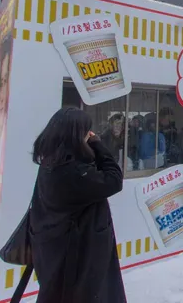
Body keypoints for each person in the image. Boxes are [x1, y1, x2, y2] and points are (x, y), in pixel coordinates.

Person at [30, 107, 125, 303]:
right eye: (86, 131)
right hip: (78, 255)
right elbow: (114, 179)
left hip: (55, 249)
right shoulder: (73, 172)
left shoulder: (50, 162)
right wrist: (98, 145)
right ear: (76, 134)